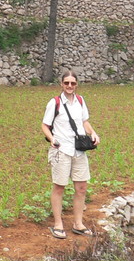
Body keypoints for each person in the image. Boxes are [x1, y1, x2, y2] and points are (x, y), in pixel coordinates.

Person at [41, 70, 100, 239]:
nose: (69, 86)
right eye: (66, 83)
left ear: (76, 85)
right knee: (59, 186)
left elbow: (84, 122)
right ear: (61, 84)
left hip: (78, 150)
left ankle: (78, 223)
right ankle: (58, 224)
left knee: (81, 187)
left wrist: (93, 133)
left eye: (72, 83)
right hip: (61, 149)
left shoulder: (80, 101)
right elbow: (45, 125)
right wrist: (51, 138)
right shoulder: (55, 103)